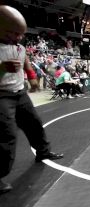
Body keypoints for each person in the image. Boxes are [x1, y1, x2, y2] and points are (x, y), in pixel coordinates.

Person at [0, 5, 64, 194]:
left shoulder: (19, 46)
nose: (19, 37)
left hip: (19, 92)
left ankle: (43, 152)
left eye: (21, 33)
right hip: (1, 95)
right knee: (6, 134)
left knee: (34, 123)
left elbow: (25, 58)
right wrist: (2, 68)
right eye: (14, 33)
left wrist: (32, 76)